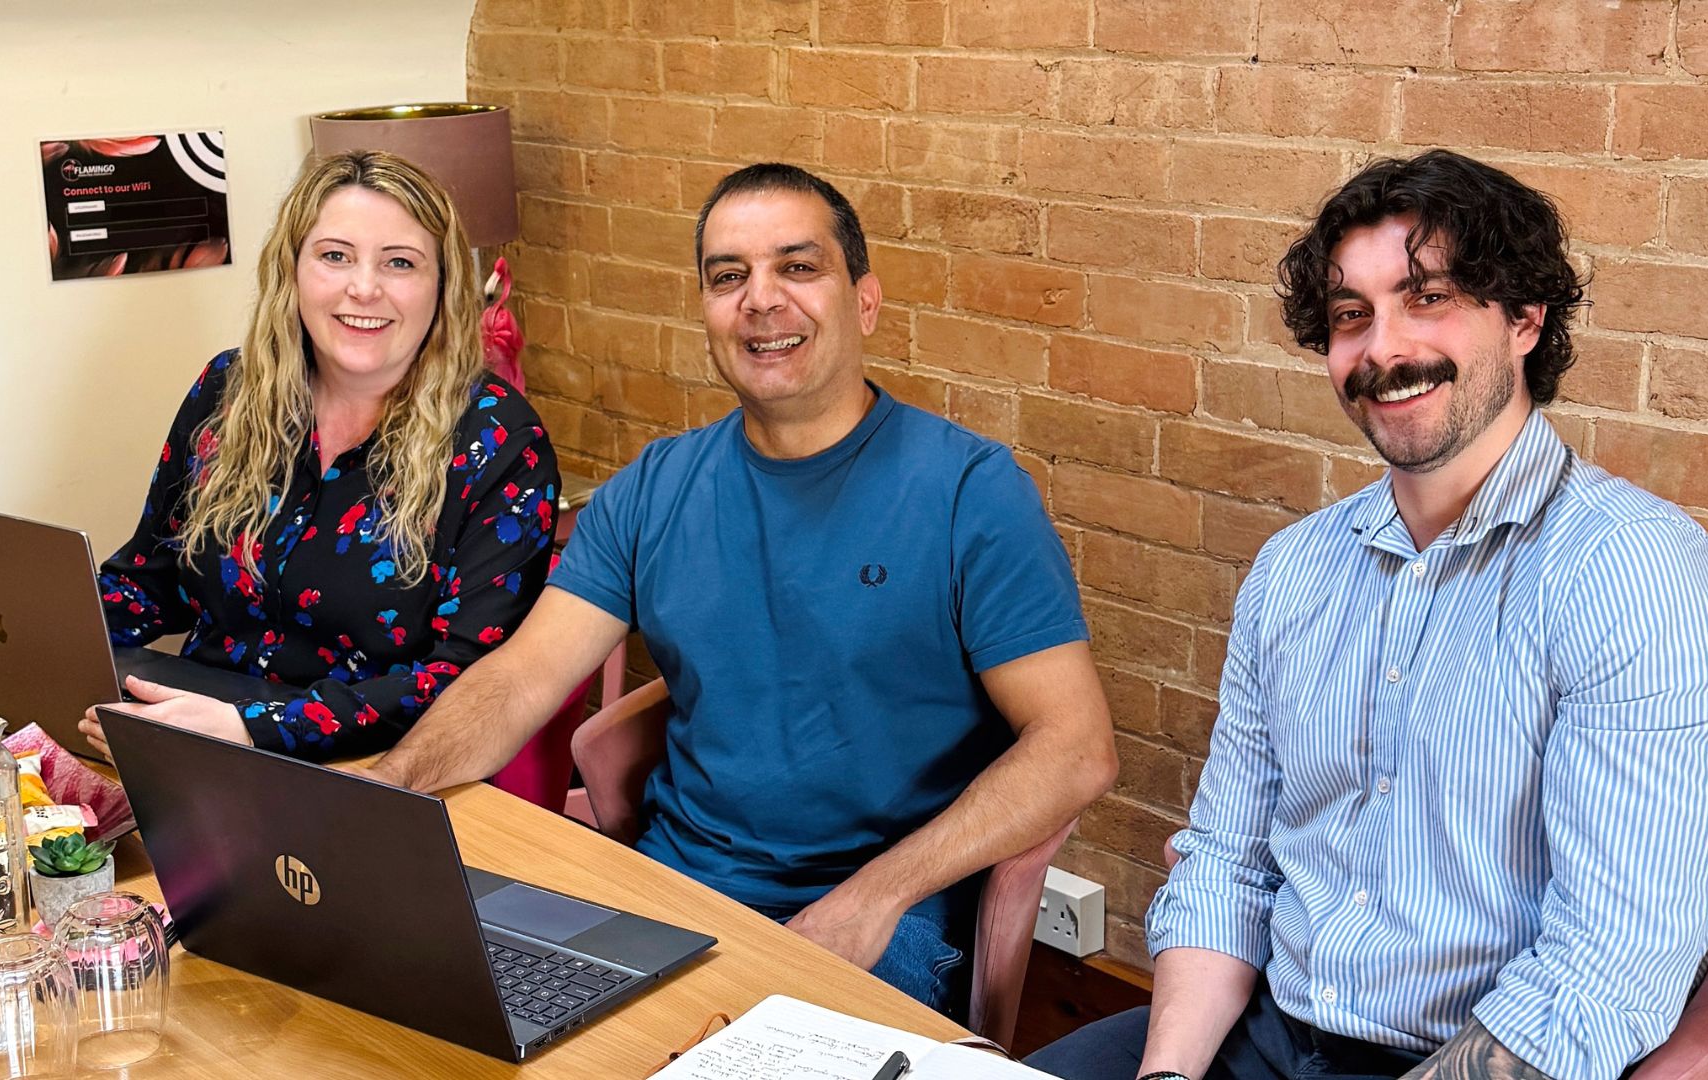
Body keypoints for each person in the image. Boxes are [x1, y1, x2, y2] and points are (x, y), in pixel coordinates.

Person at [1027, 149, 1708, 1080]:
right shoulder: (1297, 568)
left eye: (1427, 298)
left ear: (1523, 318)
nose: (1382, 349)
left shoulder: (1637, 579)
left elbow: (1602, 975)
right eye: (1353, 315)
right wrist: (1168, 1077)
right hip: (1261, 1030)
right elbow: (1228, 864)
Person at [360, 163, 1118, 1014]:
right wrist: (381, 796)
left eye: (798, 267)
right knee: (440, 1010)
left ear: (865, 301)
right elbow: (519, 679)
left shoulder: (970, 492)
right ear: (708, 314)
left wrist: (872, 899)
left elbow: (1075, 745)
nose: (761, 300)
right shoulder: (654, 486)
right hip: (676, 883)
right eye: (729, 277)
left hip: (881, 906)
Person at [82, 150, 558, 762]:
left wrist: (253, 726)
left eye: (400, 263)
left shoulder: (499, 442)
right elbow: (152, 580)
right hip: (193, 741)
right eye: (335, 256)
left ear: (442, 286)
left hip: (385, 772)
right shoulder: (227, 389)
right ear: (293, 270)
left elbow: (468, 680)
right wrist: (41, 633)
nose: (364, 287)